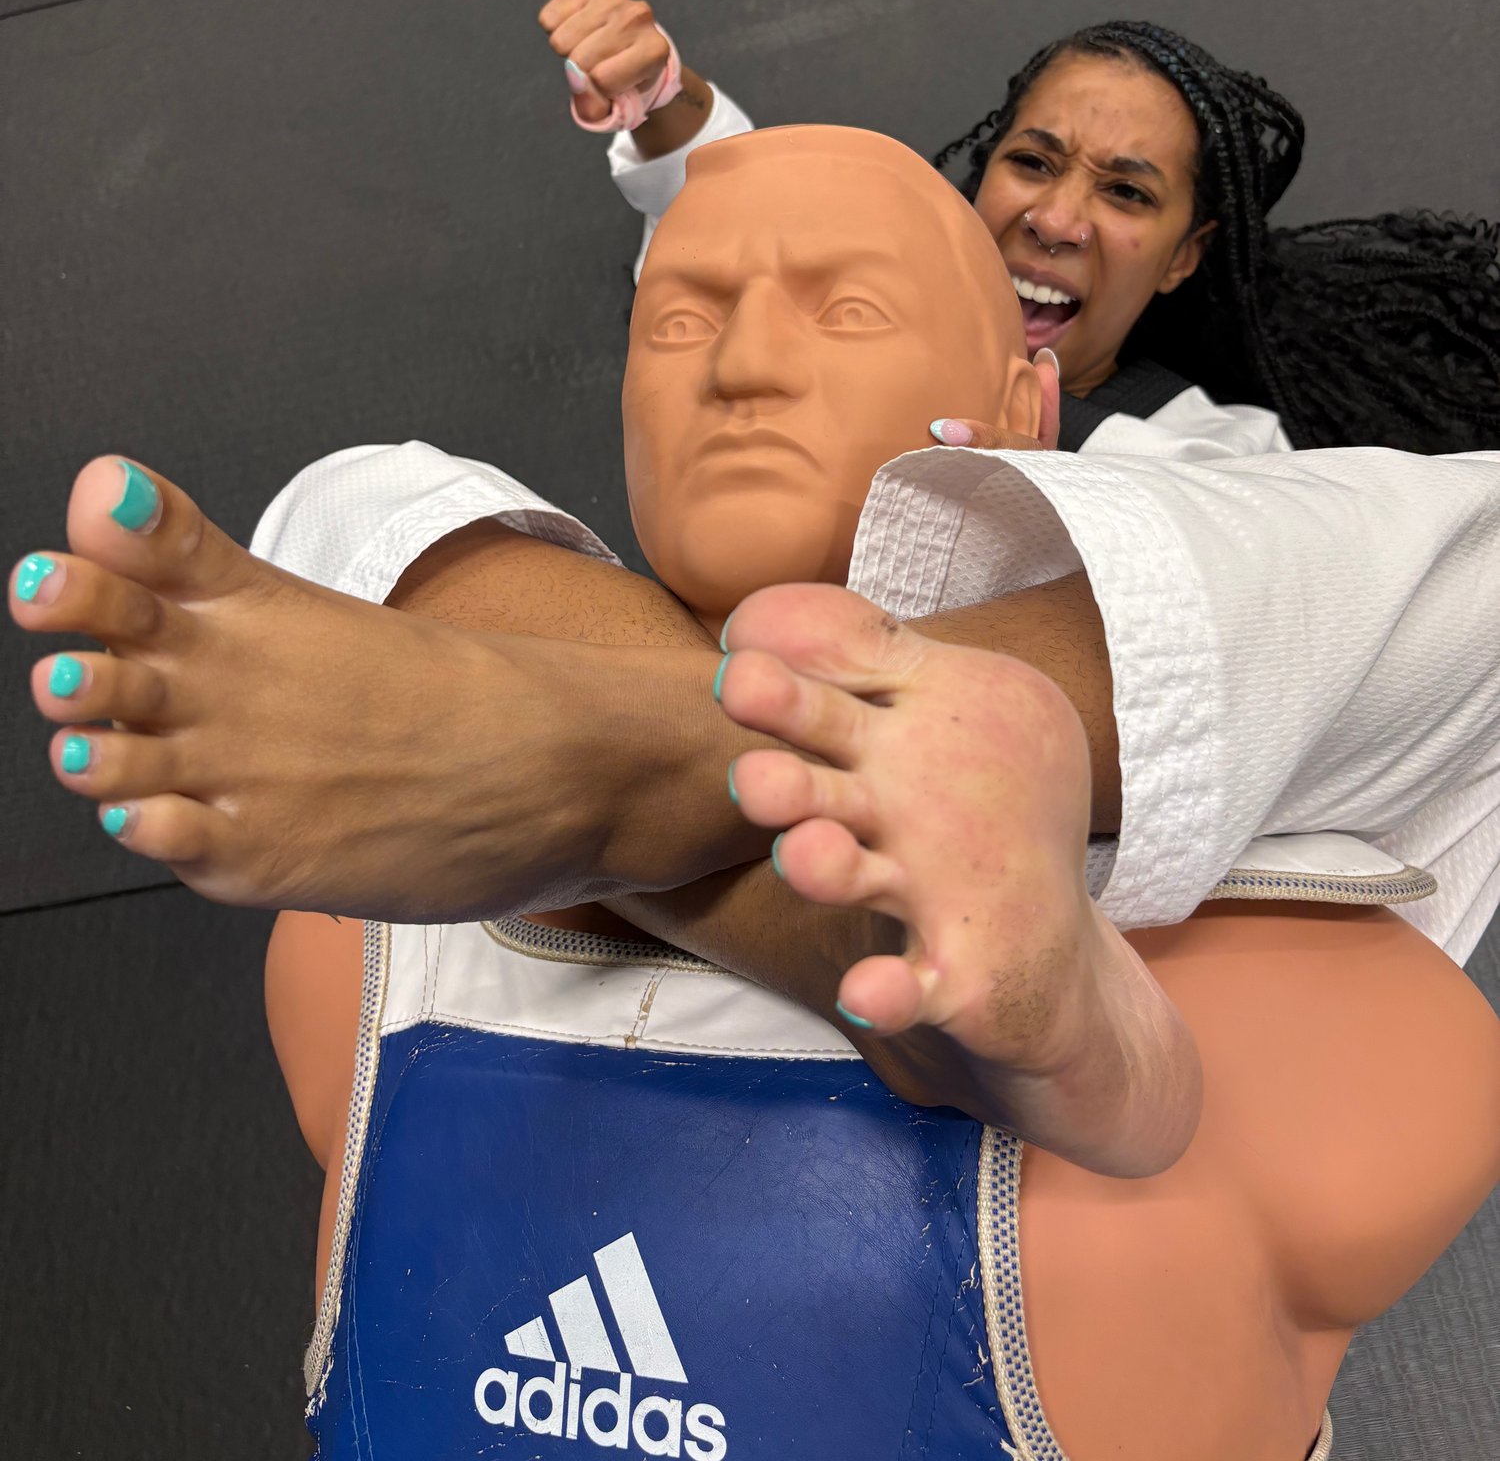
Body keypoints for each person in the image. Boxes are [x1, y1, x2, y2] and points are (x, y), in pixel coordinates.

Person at [15, 130, 1498, 1459]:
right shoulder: (367, 950)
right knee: (360, 496)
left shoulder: (1317, 992)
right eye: (679, 320)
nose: (740, 366)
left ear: (1023, 405)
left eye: (847, 312)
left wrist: (593, 759)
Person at [540, 0, 1500, 456]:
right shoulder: (831, 315)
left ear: (1183, 257)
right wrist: (656, 87)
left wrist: (1046, 495)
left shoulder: (1209, 457)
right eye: (1033, 162)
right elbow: (742, 208)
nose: (1057, 218)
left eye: (1126, 193)